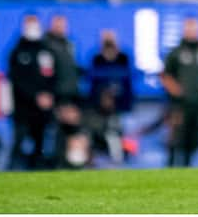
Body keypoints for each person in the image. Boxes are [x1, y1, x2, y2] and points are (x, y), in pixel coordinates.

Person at [161, 17, 198, 167]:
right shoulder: (176, 53)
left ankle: (187, 169)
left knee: (191, 141)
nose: (193, 32)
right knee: (175, 140)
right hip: (179, 106)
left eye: (195, 29)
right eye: (189, 29)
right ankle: (170, 168)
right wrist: (176, 91)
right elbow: (165, 75)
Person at [7, 13, 57, 170]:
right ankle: (12, 171)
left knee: (41, 142)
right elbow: (17, 79)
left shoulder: (46, 51)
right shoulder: (17, 51)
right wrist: (35, 96)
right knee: (19, 141)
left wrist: (49, 95)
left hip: (42, 109)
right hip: (23, 107)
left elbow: (53, 75)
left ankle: (38, 171)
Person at [86, 29, 134, 165]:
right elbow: (93, 85)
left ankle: (125, 162)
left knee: (123, 136)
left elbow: (128, 84)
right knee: (98, 135)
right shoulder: (97, 59)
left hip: (122, 107)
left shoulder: (123, 58)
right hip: (99, 110)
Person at [43, 14, 82, 169]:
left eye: (63, 24)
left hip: (70, 94)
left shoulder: (68, 44)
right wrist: (49, 92)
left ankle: (68, 163)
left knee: (70, 130)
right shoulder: (46, 45)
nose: (61, 27)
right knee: (53, 130)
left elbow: (72, 70)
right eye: (58, 24)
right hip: (56, 95)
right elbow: (45, 72)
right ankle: (51, 162)